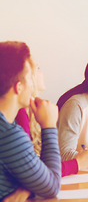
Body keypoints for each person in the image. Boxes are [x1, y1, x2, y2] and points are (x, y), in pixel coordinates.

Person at [0, 41, 60, 201]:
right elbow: (52, 186)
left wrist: (27, 188)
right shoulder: (9, 135)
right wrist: (49, 126)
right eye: (29, 78)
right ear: (18, 87)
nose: (33, 83)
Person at [15, 58, 88, 176]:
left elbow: (41, 167)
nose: (42, 73)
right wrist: (77, 163)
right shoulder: (20, 113)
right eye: (38, 68)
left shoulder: (30, 111)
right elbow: (39, 174)